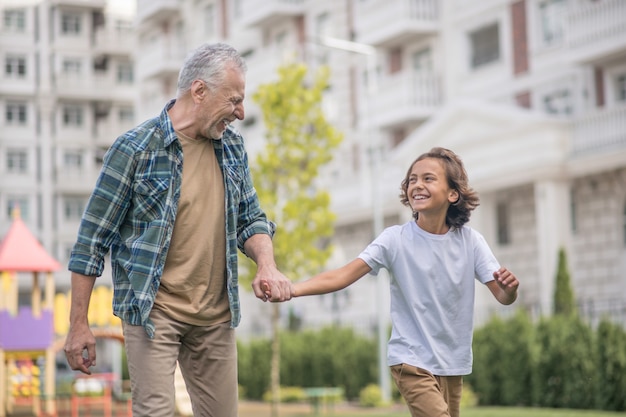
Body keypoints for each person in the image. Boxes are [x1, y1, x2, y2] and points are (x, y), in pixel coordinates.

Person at [64, 43, 293, 417]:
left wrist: (266, 264)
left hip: (215, 315)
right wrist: (78, 325)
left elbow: (251, 218)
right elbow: (91, 241)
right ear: (199, 91)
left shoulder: (233, 148)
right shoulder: (135, 149)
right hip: (155, 311)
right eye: (234, 100)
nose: (241, 112)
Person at [281, 147, 519, 417]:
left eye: (428, 178)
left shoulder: (470, 241)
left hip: (452, 363)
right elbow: (343, 274)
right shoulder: (394, 239)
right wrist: (293, 289)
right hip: (411, 360)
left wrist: (509, 290)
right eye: (412, 180)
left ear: (453, 193)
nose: (417, 185)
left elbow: (502, 295)